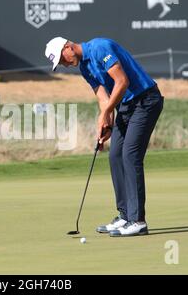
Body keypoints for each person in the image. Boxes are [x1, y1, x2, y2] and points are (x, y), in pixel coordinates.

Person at [45, 36, 164, 237]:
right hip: (126, 107)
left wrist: (105, 112)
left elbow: (122, 81)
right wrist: (106, 121)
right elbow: (103, 98)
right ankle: (125, 215)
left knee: (130, 155)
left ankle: (138, 221)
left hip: (146, 101)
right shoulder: (84, 68)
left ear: (68, 46)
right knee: (115, 155)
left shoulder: (100, 47)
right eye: (60, 63)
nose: (64, 64)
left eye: (62, 59)